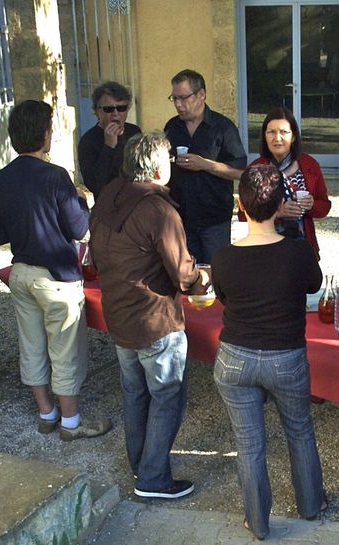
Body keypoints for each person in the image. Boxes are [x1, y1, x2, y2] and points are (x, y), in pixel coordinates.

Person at [88, 131, 207, 499]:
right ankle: (153, 478)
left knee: (135, 394)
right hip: (155, 320)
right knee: (167, 395)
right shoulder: (158, 210)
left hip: (120, 314)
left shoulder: (108, 197)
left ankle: (140, 464)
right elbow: (184, 275)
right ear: (157, 167)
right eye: (168, 159)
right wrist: (205, 276)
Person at [212, 164, 326, 540]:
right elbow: (314, 284)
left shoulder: (224, 256)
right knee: (299, 430)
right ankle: (310, 505)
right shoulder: (297, 252)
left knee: (249, 446)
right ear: (281, 206)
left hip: (234, 357)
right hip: (285, 356)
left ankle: (258, 522)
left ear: (239, 206)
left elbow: (224, 298)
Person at [0, 100, 111, 441]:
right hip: (56, 277)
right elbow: (79, 229)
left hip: (21, 272)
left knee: (32, 346)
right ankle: (70, 423)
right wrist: (80, 202)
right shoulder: (55, 176)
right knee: (65, 350)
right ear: (44, 134)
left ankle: (46, 413)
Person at [164, 69, 247, 263]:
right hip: (180, 216)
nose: (178, 104)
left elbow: (241, 172)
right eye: (174, 98)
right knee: (185, 276)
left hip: (214, 219)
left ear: (201, 94)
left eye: (184, 98)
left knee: (216, 274)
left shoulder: (223, 127)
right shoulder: (172, 127)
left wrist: (207, 165)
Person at [246, 107, 330, 255]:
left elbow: (324, 207)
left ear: (294, 137)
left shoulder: (310, 165)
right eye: (271, 132)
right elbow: (244, 213)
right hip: (265, 248)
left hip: (302, 246)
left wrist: (311, 205)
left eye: (284, 132)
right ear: (264, 136)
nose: (277, 138)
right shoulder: (255, 168)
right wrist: (277, 213)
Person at [77, 81, 142, 197]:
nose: (115, 113)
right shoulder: (88, 141)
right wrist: (109, 146)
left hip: (135, 202)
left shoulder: (134, 132)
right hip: (109, 207)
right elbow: (95, 184)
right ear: (97, 111)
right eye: (108, 109)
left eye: (121, 108)